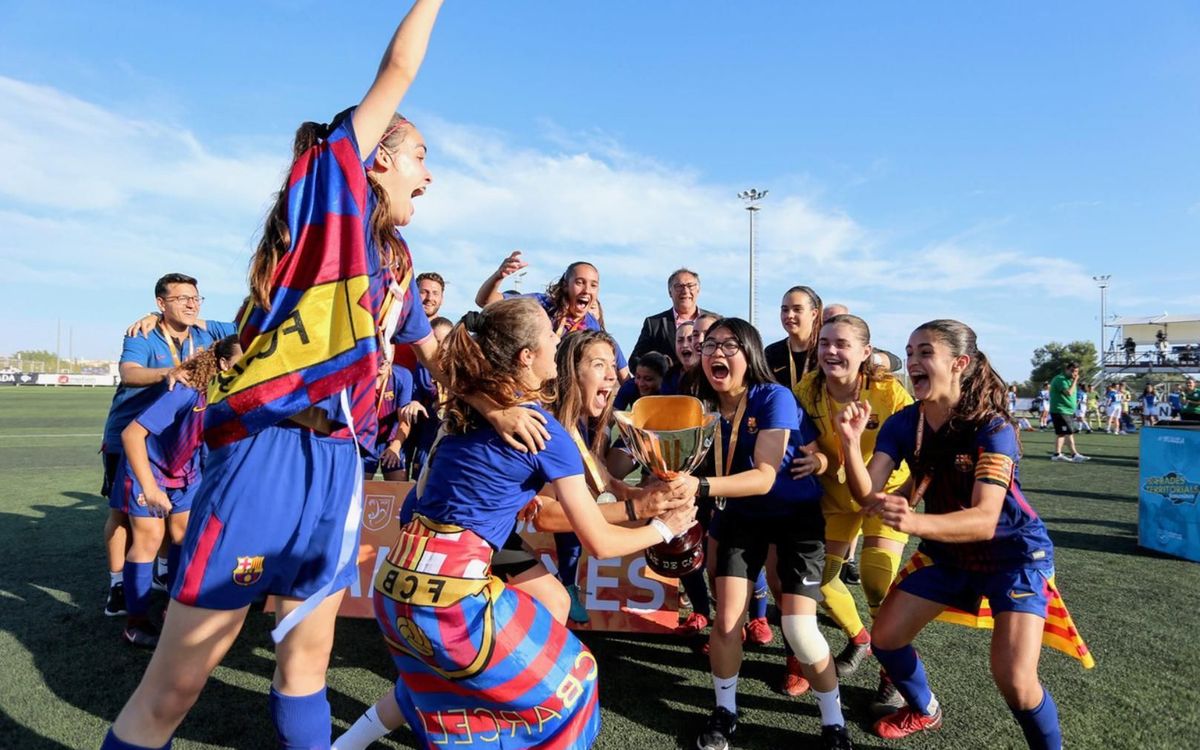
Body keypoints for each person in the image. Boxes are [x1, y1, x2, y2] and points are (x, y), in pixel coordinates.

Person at [99, 6, 546, 748]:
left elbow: (433, 360)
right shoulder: (327, 196)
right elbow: (397, 71)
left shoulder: (397, 264)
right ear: (375, 158)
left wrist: (493, 408)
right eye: (420, 156)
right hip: (269, 451)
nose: (430, 175)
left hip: (341, 465)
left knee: (306, 664)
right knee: (176, 685)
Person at [373, 298, 696, 748]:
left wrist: (634, 498)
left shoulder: (474, 405)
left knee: (543, 607)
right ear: (528, 356)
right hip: (451, 594)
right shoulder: (542, 429)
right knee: (576, 681)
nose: (557, 340)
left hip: (395, 580)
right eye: (550, 336)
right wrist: (666, 525)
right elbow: (593, 539)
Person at [839, 319, 1089, 747]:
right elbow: (867, 496)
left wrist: (913, 521)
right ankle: (924, 709)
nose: (912, 362)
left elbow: (985, 518)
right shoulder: (904, 423)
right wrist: (849, 442)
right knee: (885, 638)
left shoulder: (994, 428)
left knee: (1015, 680)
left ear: (959, 363)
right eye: (909, 352)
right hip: (949, 553)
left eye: (924, 353)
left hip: (1013, 556)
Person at [679, 317, 853, 750]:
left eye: (730, 345)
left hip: (795, 515)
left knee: (798, 628)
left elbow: (764, 477)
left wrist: (697, 487)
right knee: (726, 620)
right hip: (739, 515)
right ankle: (725, 712)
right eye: (709, 344)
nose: (717, 352)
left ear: (751, 353)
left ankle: (834, 723)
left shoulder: (772, 395)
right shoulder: (696, 406)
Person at [794, 315, 914, 714]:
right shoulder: (806, 391)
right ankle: (860, 638)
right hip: (835, 495)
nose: (830, 350)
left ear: (865, 352)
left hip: (885, 494)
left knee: (878, 577)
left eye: (842, 343)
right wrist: (816, 461)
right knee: (821, 581)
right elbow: (804, 444)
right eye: (825, 342)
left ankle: (892, 671)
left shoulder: (890, 393)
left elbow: (915, 447)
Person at [101, 273, 237, 617]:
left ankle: (162, 578)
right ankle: (118, 584)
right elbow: (129, 373)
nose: (192, 303)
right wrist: (171, 372)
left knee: (173, 519)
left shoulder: (207, 332)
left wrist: (191, 312)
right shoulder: (143, 334)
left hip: (177, 440)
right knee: (123, 515)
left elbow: (247, 324)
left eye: (196, 297)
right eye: (182, 298)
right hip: (131, 434)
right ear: (161, 304)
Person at [113, 337, 242, 648]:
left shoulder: (227, 395)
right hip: (149, 470)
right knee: (149, 539)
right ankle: (136, 622)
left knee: (184, 537)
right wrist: (150, 487)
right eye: (244, 361)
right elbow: (132, 434)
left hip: (186, 475)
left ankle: (175, 609)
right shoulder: (185, 390)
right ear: (223, 364)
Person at [476, 253, 631, 380]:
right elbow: (485, 302)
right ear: (565, 285)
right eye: (579, 282)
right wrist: (499, 276)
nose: (586, 290)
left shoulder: (592, 328)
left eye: (593, 285)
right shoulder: (541, 304)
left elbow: (620, 369)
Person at [631, 268, 714, 362]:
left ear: (698, 290)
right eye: (679, 286)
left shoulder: (714, 321)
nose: (685, 291)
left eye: (690, 286)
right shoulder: (654, 324)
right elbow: (636, 359)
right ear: (670, 292)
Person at [766, 286, 822, 391]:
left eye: (797, 309)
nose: (789, 315)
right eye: (785, 310)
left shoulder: (824, 349)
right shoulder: (772, 353)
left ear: (814, 314)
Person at [1048, 363, 1089, 462]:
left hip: (1068, 410)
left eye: (1076, 371)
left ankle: (1061, 454)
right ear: (1066, 369)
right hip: (1060, 410)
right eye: (1072, 371)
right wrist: (1075, 380)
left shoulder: (1068, 380)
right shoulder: (1060, 379)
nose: (1074, 373)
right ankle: (1070, 454)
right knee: (1066, 432)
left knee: (1064, 432)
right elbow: (1068, 393)